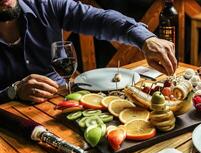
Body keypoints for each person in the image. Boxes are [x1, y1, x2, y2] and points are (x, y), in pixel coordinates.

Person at [0, 0, 177, 104]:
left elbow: (99, 19)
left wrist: (146, 39)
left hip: (61, 102)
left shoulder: (45, 5)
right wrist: (12, 91)